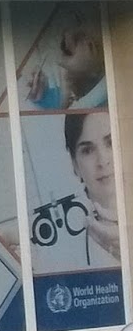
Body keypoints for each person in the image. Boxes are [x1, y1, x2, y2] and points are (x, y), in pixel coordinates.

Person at [66, 110, 120, 264]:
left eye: (111, 143)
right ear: (75, 165)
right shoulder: (69, 250)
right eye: (88, 150)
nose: (102, 161)